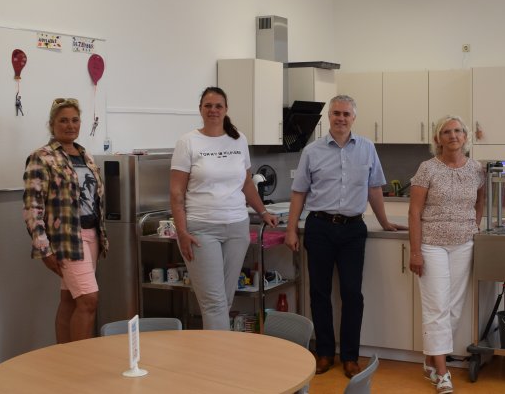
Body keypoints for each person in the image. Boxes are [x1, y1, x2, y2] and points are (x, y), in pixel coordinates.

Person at [285, 94, 407, 379]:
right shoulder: (312, 151)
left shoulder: (366, 148)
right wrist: (291, 228)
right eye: (336, 113)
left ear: (354, 118)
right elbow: (299, 192)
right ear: (329, 116)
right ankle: (325, 353)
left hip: (353, 229)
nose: (341, 118)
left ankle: (350, 356)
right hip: (319, 227)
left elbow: (375, 188)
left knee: (352, 294)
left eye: (346, 114)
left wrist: (385, 221)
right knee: (319, 293)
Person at [170, 87, 279, 331]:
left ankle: (216, 357)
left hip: (237, 228)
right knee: (214, 303)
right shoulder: (187, 142)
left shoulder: (238, 139)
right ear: (200, 109)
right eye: (208, 106)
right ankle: (220, 362)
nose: (213, 110)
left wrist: (263, 212)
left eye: (218, 106)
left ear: (226, 109)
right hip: (201, 229)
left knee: (224, 300)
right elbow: (176, 193)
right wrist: (182, 231)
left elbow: (247, 182)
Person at [408, 115, 485, 394]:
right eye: (446, 132)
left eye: (458, 131)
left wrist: (473, 226)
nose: (453, 136)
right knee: (436, 307)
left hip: (464, 244)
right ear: (437, 139)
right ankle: (442, 373)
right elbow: (414, 211)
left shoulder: (476, 169)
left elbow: (480, 201)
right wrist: (415, 251)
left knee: (453, 308)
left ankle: (431, 359)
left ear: (465, 136)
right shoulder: (427, 169)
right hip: (432, 245)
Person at [23, 97, 108, 343]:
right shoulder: (42, 157)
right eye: (63, 121)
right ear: (52, 124)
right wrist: (43, 248)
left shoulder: (85, 156)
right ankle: (78, 364)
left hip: (92, 235)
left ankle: (61, 360)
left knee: (70, 299)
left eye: (74, 120)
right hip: (67, 239)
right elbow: (32, 206)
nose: (70, 125)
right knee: (88, 300)